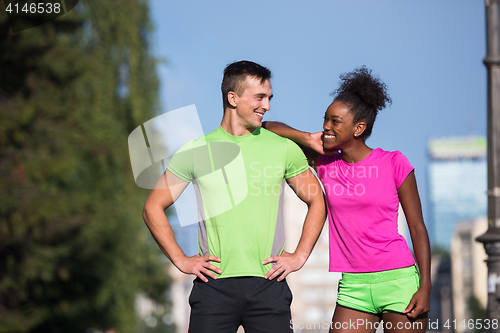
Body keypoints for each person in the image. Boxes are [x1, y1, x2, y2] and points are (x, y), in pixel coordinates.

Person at [142, 60, 326, 333]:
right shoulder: (196, 151)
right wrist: (181, 260)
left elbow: (317, 200)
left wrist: (300, 255)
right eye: (260, 97)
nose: (267, 106)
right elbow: (152, 207)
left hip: (269, 285)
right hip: (213, 287)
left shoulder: (283, 149)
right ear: (233, 98)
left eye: (269, 98)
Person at [264, 67, 431, 333]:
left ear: (359, 127)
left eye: (335, 121)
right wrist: (307, 137)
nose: (326, 127)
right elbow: (268, 128)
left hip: (399, 280)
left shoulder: (394, 163)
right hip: (353, 286)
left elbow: (417, 228)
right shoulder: (326, 164)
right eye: (325, 120)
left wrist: (426, 286)